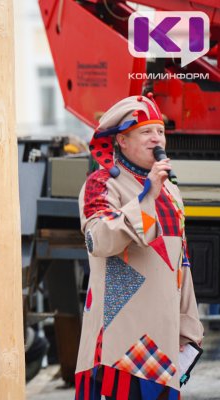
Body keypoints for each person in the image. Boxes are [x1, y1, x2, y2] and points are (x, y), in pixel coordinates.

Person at [75, 94, 204, 399]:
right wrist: (147, 197)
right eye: (146, 132)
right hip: (118, 339)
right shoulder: (101, 182)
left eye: (160, 131)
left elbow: (179, 264)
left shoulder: (171, 190)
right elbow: (99, 239)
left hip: (161, 342)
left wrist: (188, 325)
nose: (156, 138)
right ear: (122, 140)